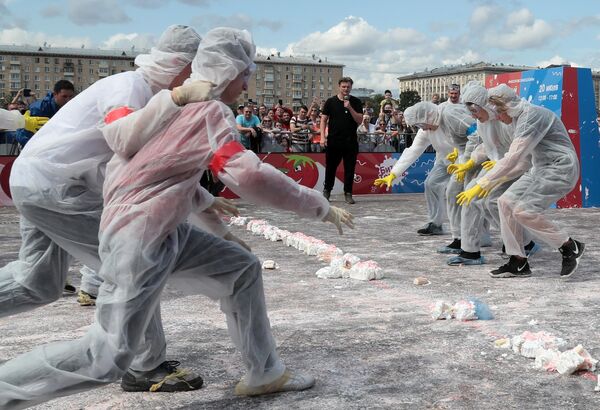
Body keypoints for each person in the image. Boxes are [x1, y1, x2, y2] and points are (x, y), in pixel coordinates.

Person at [0, 27, 354, 408]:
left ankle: (264, 371)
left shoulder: (170, 107)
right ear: (227, 71)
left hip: (144, 223)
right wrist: (319, 206)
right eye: (245, 74)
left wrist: (210, 215)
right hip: (113, 220)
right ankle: (137, 364)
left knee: (241, 268)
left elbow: (159, 170)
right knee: (105, 356)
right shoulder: (159, 99)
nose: (248, 83)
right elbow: (246, 174)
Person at [0, 25, 213, 396]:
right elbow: (123, 135)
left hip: (40, 181)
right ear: (181, 64)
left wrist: (199, 195)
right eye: (197, 68)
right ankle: (145, 364)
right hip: (59, 188)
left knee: (36, 282)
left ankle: (142, 359)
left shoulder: (150, 94)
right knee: (135, 262)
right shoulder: (132, 87)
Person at [456, 83, 584, 278]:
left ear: (507, 106)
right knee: (504, 202)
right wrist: (491, 182)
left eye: (498, 112)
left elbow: (513, 157)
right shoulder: (516, 120)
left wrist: (482, 183)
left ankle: (569, 246)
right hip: (540, 168)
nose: (497, 117)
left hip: (561, 168)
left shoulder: (531, 116)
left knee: (523, 211)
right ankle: (518, 261)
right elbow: (522, 161)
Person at [446, 82, 533, 266]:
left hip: (513, 167)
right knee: (476, 200)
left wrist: (495, 173)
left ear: (484, 105)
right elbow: (486, 145)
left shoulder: (505, 120)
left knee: (489, 203)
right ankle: (473, 250)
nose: (474, 116)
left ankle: (519, 243)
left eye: (476, 111)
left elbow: (516, 154)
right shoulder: (483, 120)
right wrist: (470, 162)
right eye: (471, 112)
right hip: (495, 165)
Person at [374, 102, 476, 237]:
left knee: (456, 192)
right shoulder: (426, 130)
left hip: (465, 159)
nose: (422, 128)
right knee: (431, 183)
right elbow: (413, 150)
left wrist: (464, 159)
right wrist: (394, 173)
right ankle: (435, 224)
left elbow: (473, 135)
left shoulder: (449, 116)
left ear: (428, 116)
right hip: (444, 160)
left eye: (421, 124)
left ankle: (473, 234)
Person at [320, 77, 363, 204]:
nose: (346, 89)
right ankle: (327, 191)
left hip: (350, 141)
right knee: (331, 168)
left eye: (348, 87)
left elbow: (360, 120)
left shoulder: (355, 101)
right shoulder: (330, 101)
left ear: (351, 87)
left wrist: (350, 108)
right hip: (334, 141)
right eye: (343, 86)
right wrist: (322, 137)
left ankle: (348, 193)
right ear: (339, 87)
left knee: (350, 169)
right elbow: (323, 119)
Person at [14, 80, 75, 147]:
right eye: (64, 96)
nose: (68, 100)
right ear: (55, 94)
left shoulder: (72, 107)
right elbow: (22, 132)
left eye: (71, 96)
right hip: (30, 144)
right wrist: (34, 147)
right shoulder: (38, 108)